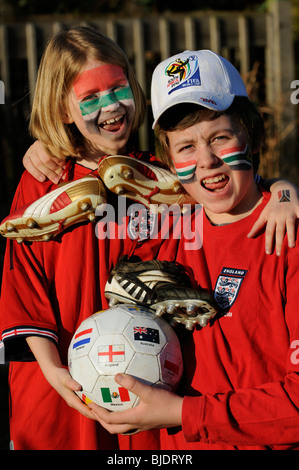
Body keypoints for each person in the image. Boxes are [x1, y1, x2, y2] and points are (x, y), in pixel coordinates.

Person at [86, 49, 299, 450]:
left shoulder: (289, 236)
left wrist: (182, 414)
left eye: (220, 137)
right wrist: (41, 151)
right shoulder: (161, 235)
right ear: (168, 157)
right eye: (186, 147)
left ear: (249, 134)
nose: (207, 161)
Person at [0, 25, 164, 450]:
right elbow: (23, 283)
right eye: (90, 98)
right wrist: (53, 371)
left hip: (144, 379)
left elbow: (229, 192)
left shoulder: (158, 178)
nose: (110, 106)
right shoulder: (44, 181)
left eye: (118, 88)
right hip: (58, 385)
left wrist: (282, 190)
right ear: (62, 109)